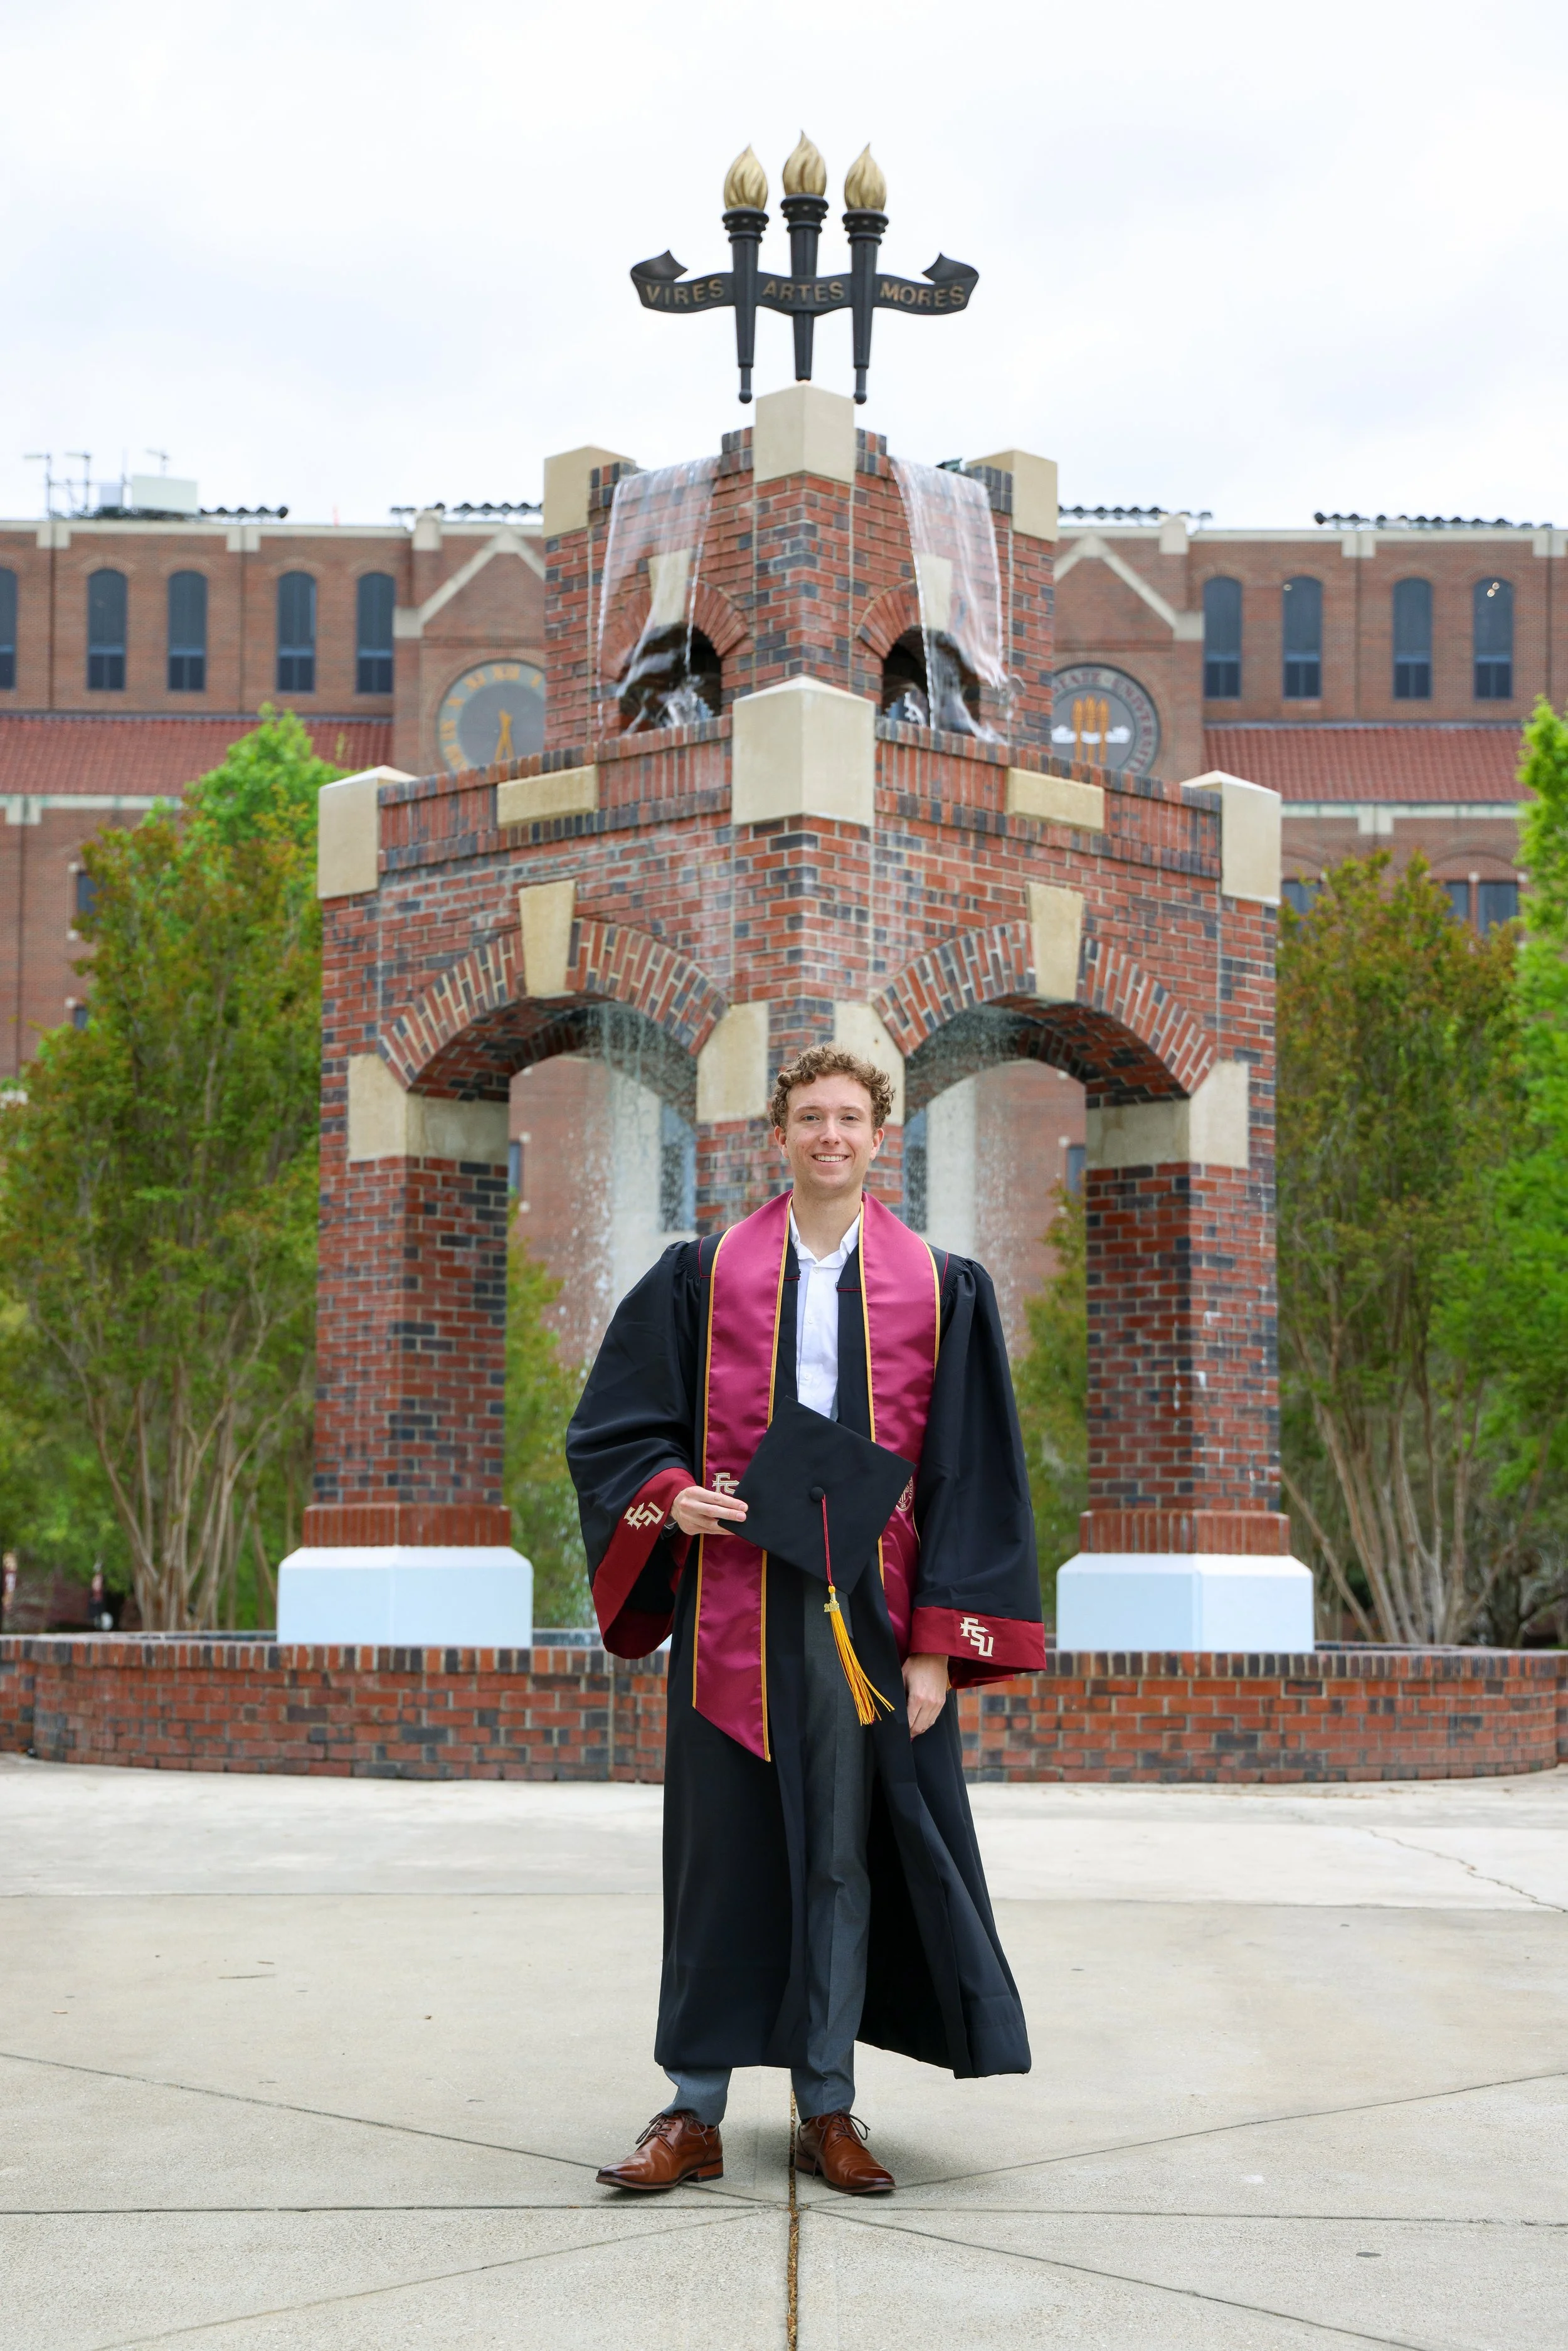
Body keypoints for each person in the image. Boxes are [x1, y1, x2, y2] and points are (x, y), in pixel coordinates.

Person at [566, 1044, 1045, 2196]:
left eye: (850, 1119)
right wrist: (669, 1494)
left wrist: (937, 1642)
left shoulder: (940, 1283)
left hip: (867, 1617)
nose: (830, 1135)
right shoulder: (703, 1272)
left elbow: (972, 1476)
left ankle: (827, 2104)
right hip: (736, 1599)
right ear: (776, 1137)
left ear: (882, 1138)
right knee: (717, 1858)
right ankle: (694, 2110)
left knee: (841, 1857)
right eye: (809, 1118)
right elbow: (614, 1427)